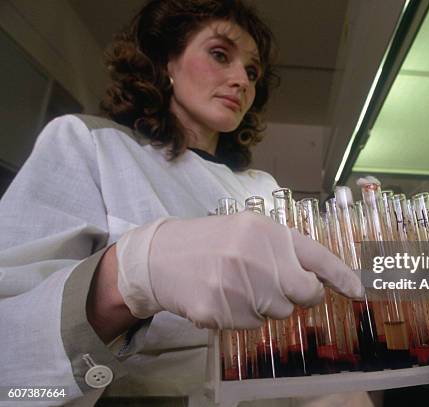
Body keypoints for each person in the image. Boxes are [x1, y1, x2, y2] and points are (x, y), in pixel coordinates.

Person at [0, 1, 373, 405]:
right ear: (167, 61)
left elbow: (306, 322)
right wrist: (125, 277)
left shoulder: (262, 187)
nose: (241, 81)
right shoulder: (90, 144)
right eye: (219, 54)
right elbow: (10, 353)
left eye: (251, 72)